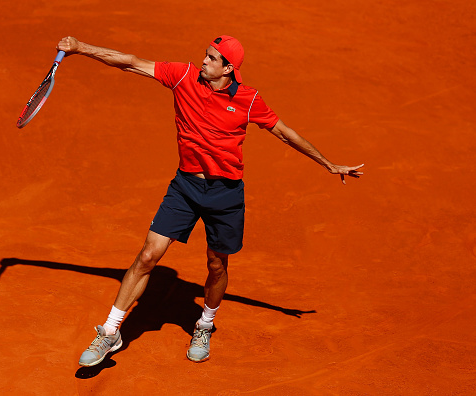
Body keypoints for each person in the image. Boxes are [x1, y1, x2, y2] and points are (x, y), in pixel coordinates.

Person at [56, 35, 364, 366]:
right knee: (147, 255)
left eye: (211, 59)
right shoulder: (183, 76)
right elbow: (130, 62)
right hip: (185, 187)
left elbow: (285, 133)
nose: (203, 61)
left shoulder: (248, 100)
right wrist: (80, 49)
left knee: (216, 265)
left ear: (228, 68)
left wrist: (328, 163)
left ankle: (205, 324)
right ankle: (111, 331)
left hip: (226, 194)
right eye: (205, 56)